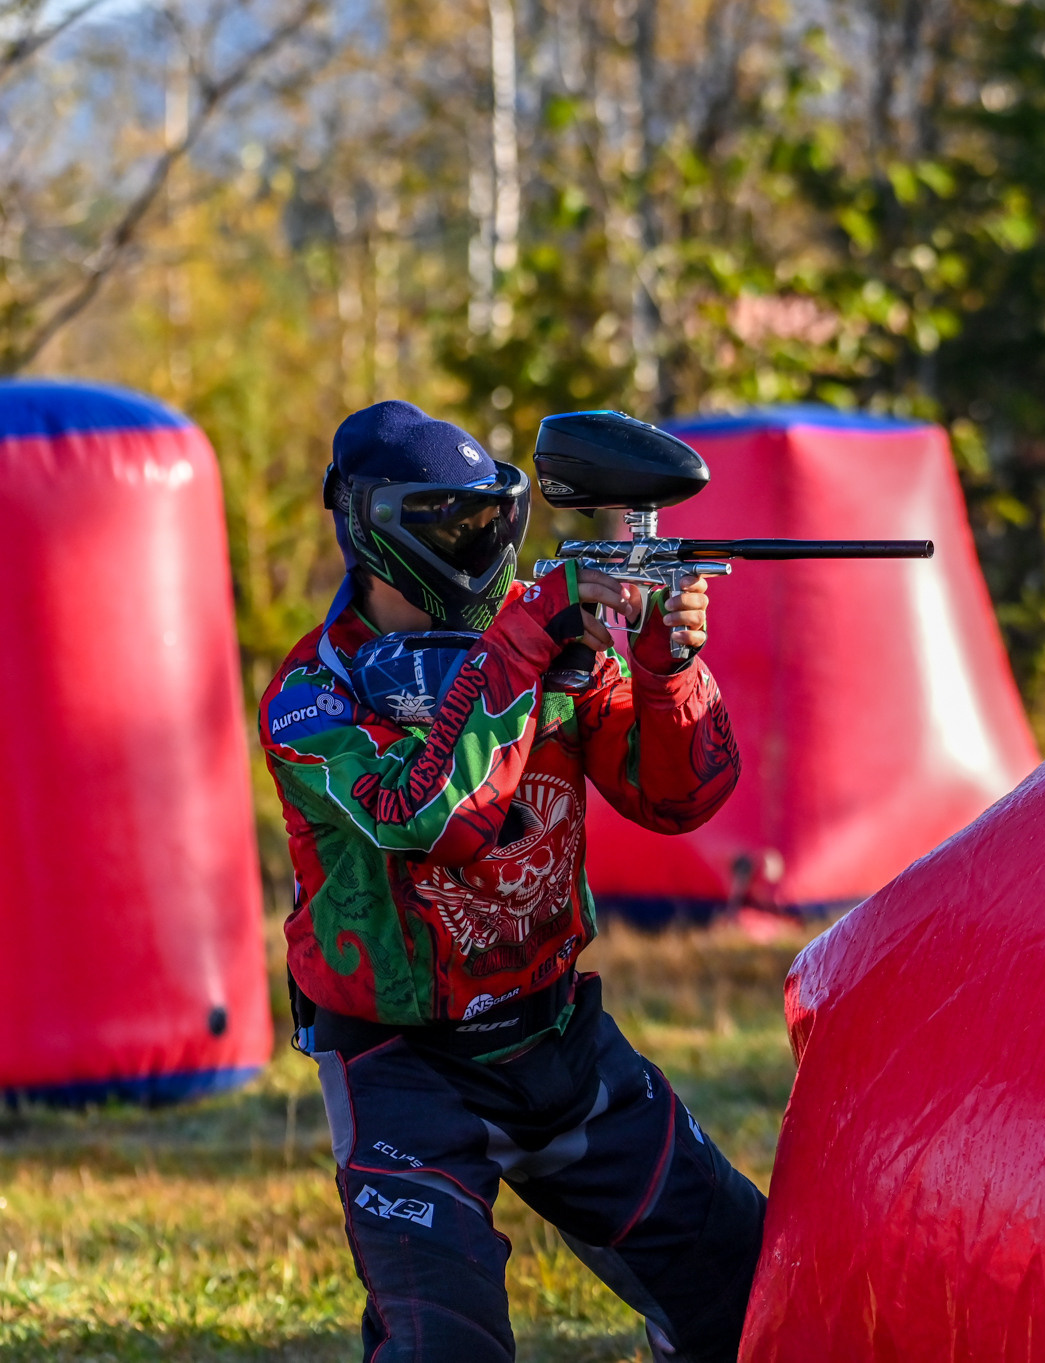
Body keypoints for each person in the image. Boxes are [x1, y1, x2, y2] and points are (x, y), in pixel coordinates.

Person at [257, 400, 765, 1363]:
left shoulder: (549, 648)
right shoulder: (310, 699)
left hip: (555, 1038)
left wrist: (665, 661)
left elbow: (678, 794)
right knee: (446, 1347)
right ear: (374, 526)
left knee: (744, 1284)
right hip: (401, 1068)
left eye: (491, 520)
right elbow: (432, 818)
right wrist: (529, 642)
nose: (480, 546)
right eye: (453, 523)